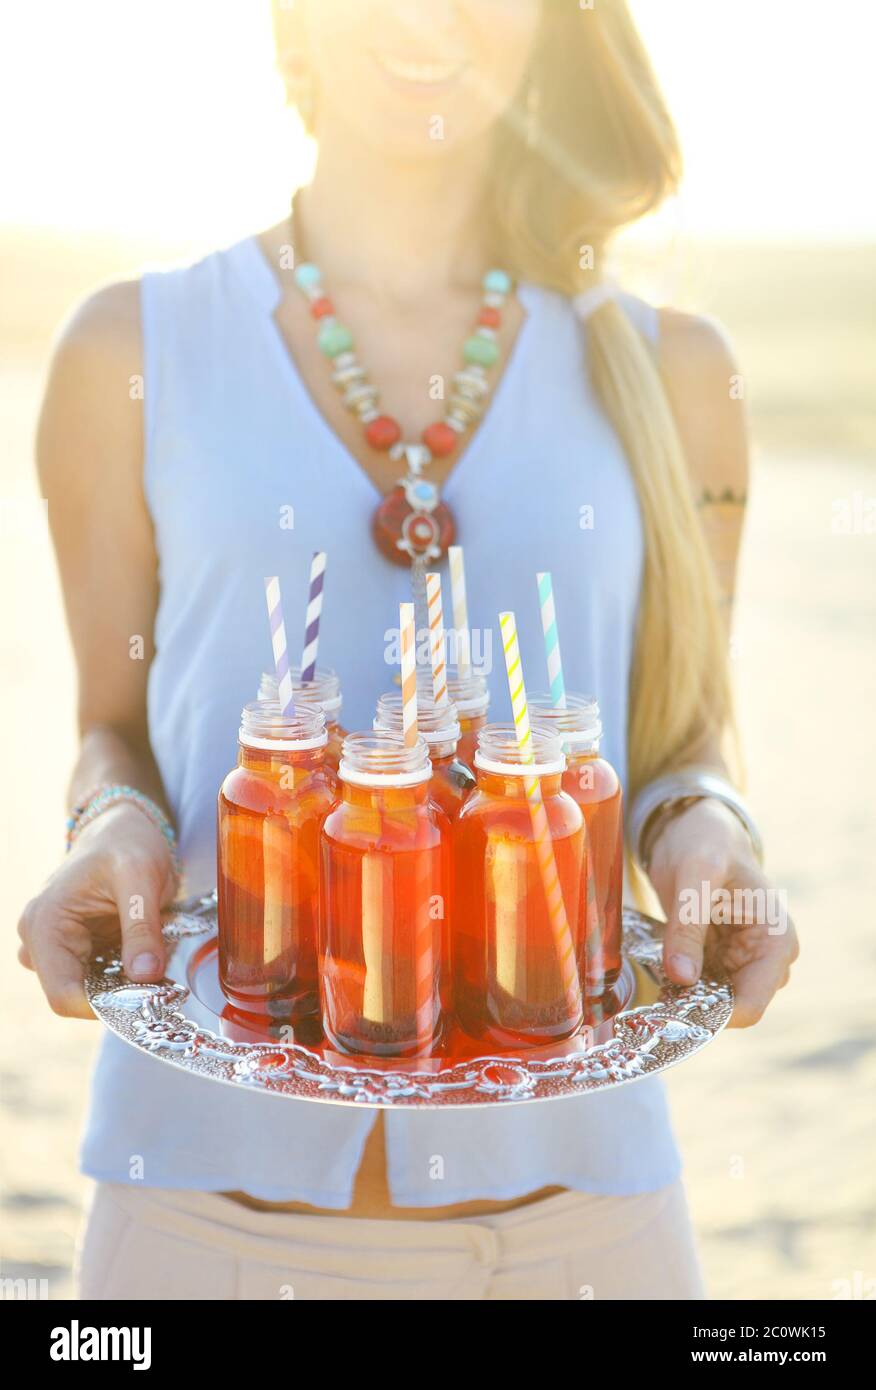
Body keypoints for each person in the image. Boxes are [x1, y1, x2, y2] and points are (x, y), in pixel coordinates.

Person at [20, 0, 798, 1300]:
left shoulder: (674, 371)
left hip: (585, 1223)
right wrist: (111, 826)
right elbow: (115, 731)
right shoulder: (126, 353)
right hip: (198, 1217)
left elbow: (683, 744)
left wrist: (710, 833)